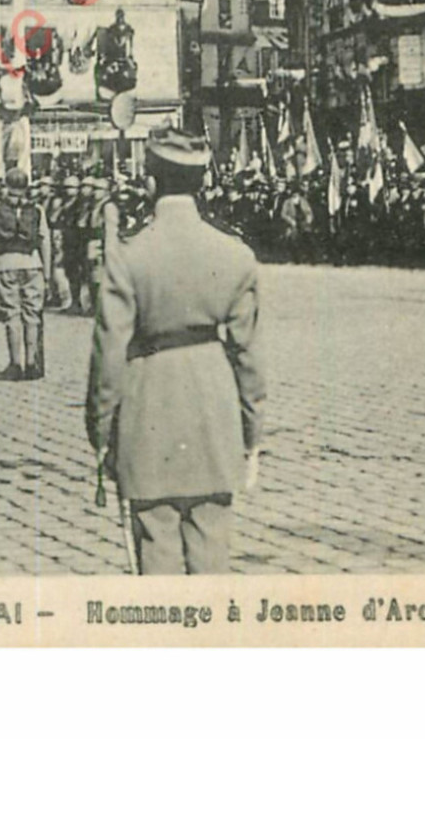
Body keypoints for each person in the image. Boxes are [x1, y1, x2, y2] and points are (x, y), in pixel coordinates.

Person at [86, 126, 265, 575]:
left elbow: (109, 356)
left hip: (148, 404)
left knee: (155, 543)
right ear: (203, 182)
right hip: (213, 404)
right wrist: (252, 435)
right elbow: (249, 358)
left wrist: (101, 431)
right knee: (212, 547)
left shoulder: (128, 255)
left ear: (150, 181)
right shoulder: (236, 254)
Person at [0, 168, 52, 381]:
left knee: (12, 314)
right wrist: (46, 273)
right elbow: (44, 241)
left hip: (4, 264)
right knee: (32, 314)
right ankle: (32, 364)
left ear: (6, 186)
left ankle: (15, 364)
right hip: (32, 264)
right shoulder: (37, 208)